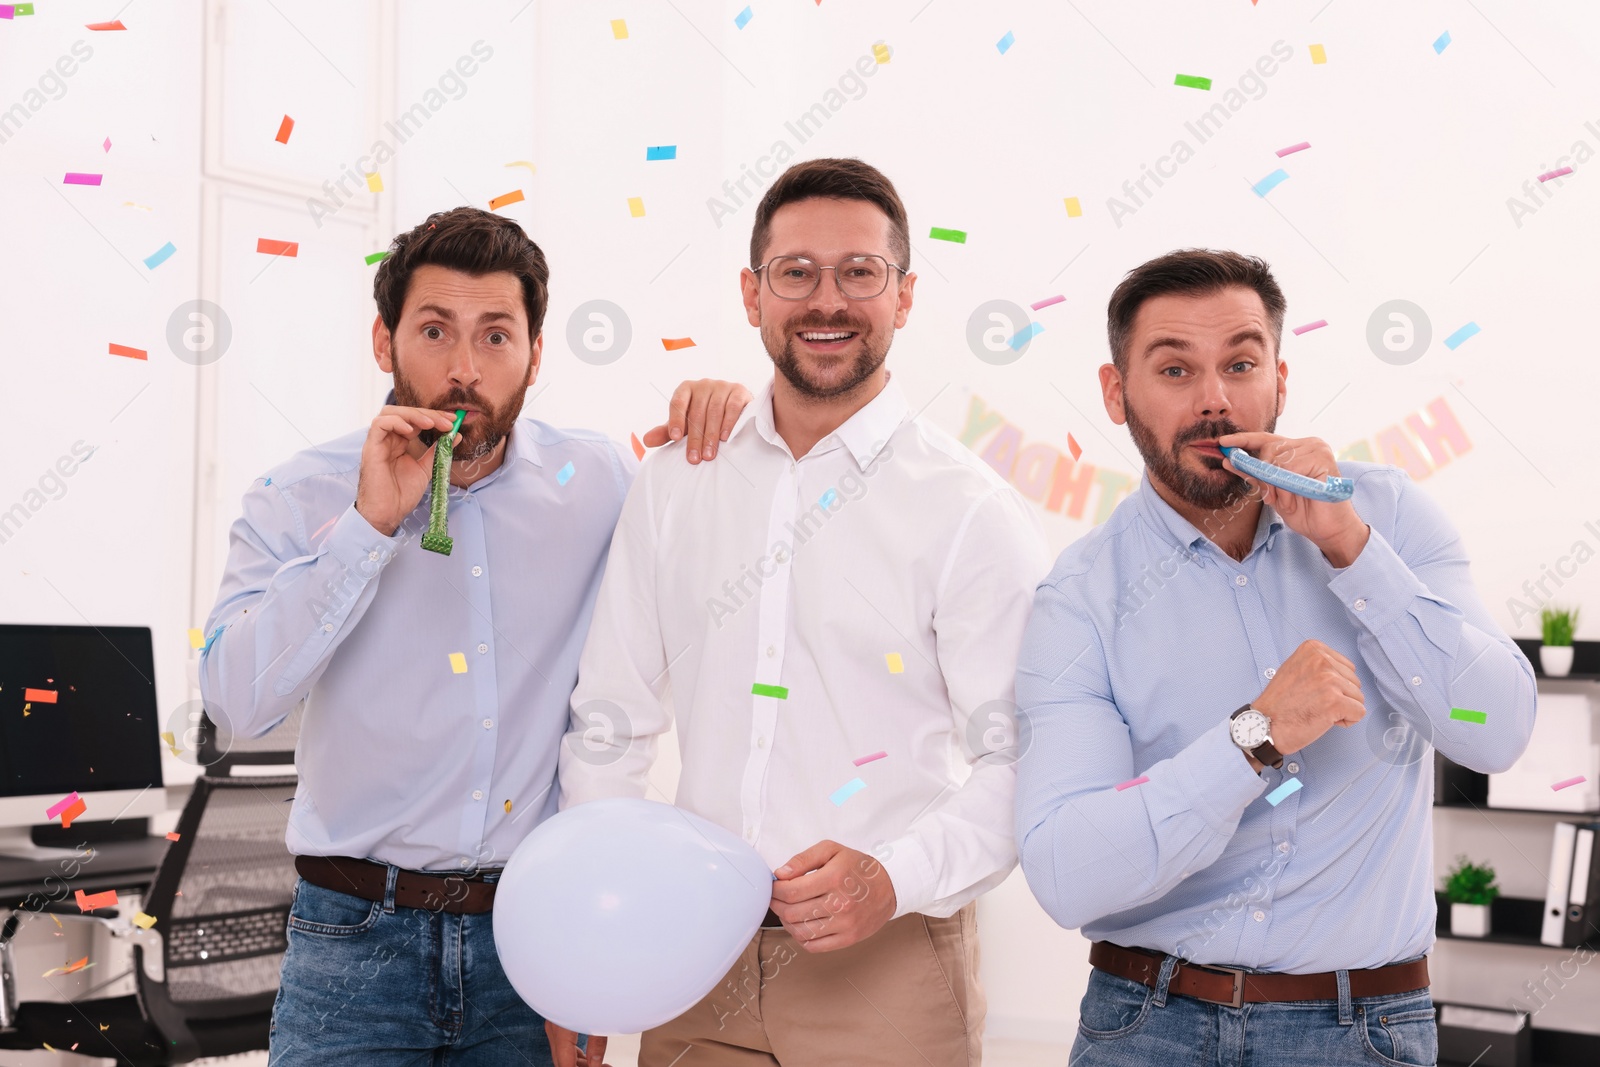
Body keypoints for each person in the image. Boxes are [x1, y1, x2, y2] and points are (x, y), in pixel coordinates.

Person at [198, 205, 750, 1067]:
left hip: (533, 939)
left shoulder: (599, 480)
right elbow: (235, 701)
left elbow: (711, 563)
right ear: (383, 342)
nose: (464, 368)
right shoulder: (298, 495)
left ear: (536, 352)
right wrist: (367, 525)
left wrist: (730, 420)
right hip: (352, 942)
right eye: (434, 330)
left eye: (497, 336)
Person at [551, 158, 1051, 1067]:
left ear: (904, 295)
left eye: (860, 272)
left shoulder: (970, 510)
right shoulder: (674, 483)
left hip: (885, 969)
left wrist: (891, 878)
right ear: (753, 294)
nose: (829, 300)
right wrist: (594, 927)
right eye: (797, 273)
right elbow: (610, 721)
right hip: (688, 956)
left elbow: (1021, 758)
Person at [1013, 248, 1538, 1066]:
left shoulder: (1388, 517)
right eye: (1176, 368)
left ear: (1280, 381)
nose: (1215, 399)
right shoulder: (1079, 597)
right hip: (1143, 1027)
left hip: (1364, 1029)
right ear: (1118, 394)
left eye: (1241, 363)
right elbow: (1068, 872)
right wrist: (1255, 736)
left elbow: (1494, 730)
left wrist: (1352, 551)